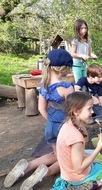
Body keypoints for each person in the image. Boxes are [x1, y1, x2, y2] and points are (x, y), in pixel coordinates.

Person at [4, 49, 74, 189]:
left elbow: (42, 109)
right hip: (64, 127)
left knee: (56, 154)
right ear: (64, 68)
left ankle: (28, 166)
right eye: (70, 67)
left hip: (50, 127)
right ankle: (44, 173)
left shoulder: (44, 87)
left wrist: (52, 121)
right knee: (67, 158)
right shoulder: (67, 87)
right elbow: (72, 112)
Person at [52, 91, 102, 189]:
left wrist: (97, 160)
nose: (92, 112)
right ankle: (88, 185)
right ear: (76, 111)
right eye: (89, 108)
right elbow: (79, 169)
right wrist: (98, 148)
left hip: (69, 173)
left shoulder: (68, 124)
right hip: (77, 177)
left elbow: (83, 146)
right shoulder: (75, 136)